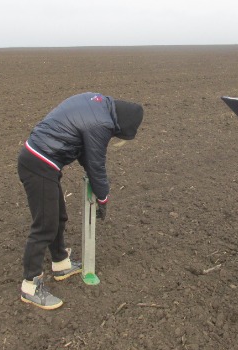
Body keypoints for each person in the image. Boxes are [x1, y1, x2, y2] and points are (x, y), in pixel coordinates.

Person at [17, 93, 144, 309]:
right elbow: (96, 164)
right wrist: (103, 198)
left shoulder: (99, 104)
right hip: (38, 164)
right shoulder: (102, 123)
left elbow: (85, 152)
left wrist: (99, 189)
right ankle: (30, 285)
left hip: (43, 160)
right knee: (44, 226)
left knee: (58, 217)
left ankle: (60, 262)